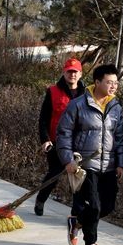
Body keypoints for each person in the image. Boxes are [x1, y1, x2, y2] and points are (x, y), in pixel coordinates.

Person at [56, 63, 123, 245]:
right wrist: (68, 160)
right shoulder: (78, 105)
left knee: (108, 206)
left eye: (116, 83)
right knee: (94, 206)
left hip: (109, 166)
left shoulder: (116, 107)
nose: (113, 86)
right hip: (86, 165)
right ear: (97, 82)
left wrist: (121, 163)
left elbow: (120, 138)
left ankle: (77, 221)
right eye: (109, 82)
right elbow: (64, 134)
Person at [34, 57, 87, 216]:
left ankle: (76, 212)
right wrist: (45, 139)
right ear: (64, 72)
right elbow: (44, 118)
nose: (72, 75)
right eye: (69, 72)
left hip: (79, 143)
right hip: (56, 141)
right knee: (55, 173)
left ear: (80, 74)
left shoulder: (86, 94)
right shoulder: (53, 91)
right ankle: (41, 199)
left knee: (78, 176)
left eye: (75, 72)